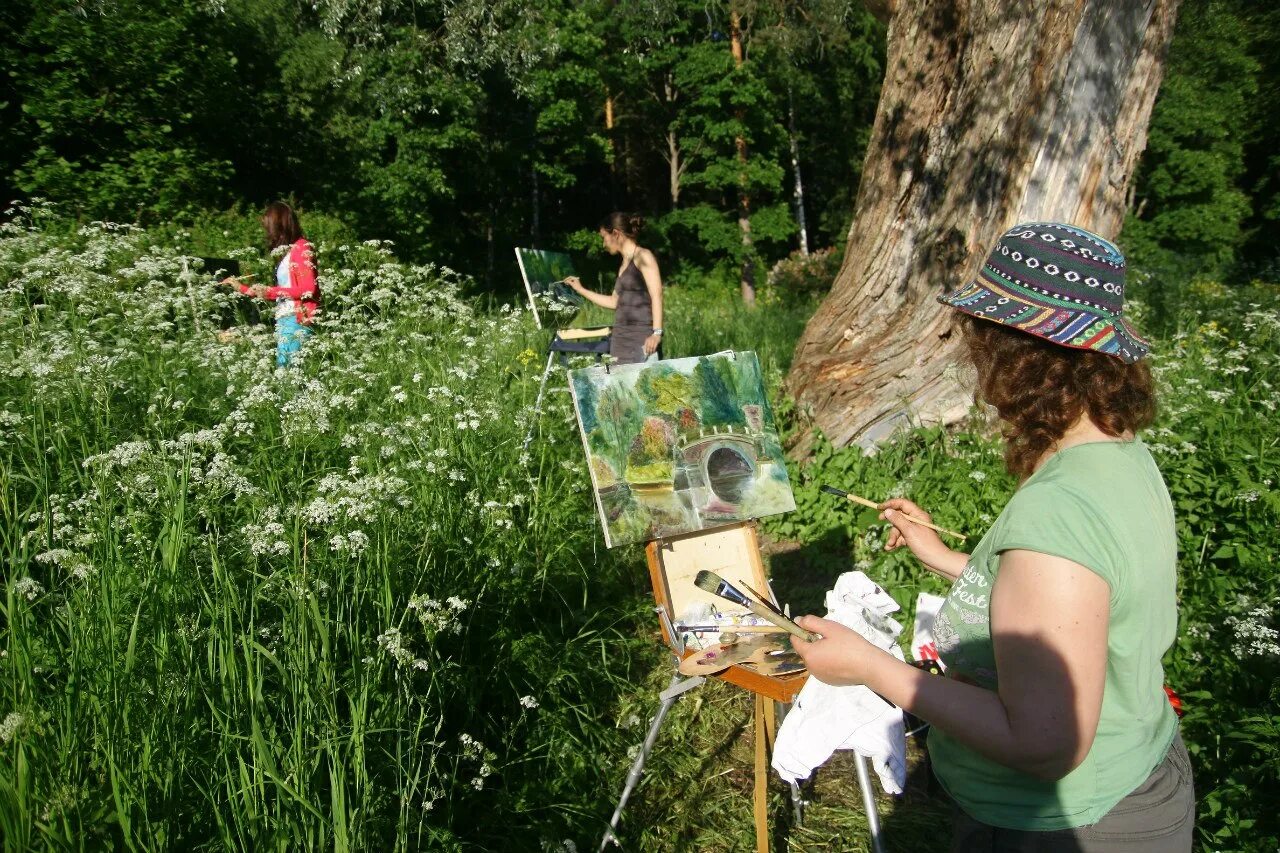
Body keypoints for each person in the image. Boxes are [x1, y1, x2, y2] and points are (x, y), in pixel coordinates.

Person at [792, 222, 1194, 852]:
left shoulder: (1060, 510)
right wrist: (949, 560)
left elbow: (1045, 743)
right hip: (1132, 774)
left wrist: (868, 667)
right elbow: (1080, 600)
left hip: (1063, 826)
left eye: (981, 340)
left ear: (1016, 354)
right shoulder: (1119, 454)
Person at [223, 202, 320, 366]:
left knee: (289, 376)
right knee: (285, 375)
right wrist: (241, 288)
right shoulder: (287, 252)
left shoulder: (302, 247)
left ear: (280, 225)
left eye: (269, 227)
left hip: (297, 319)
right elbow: (282, 291)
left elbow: (309, 289)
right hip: (284, 319)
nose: (268, 233)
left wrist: (269, 292)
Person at [563, 212, 664, 364]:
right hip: (621, 340)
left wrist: (657, 333)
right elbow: (613, 302)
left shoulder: (643, 255)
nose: (604, 243)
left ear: (615, 234)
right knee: (619, 387)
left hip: (642, 339)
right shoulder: (624, 264)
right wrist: (580, 289)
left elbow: (657, 295)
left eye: (604, 237)